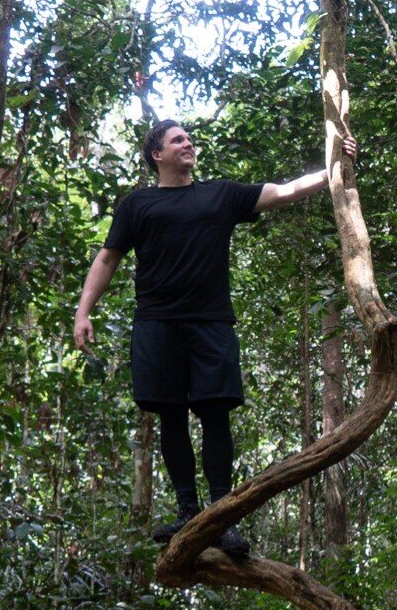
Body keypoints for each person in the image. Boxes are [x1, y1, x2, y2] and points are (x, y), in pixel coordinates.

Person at [74, 119, 356, 557]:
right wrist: (83, 311)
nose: (188, 143)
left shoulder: (219, 194)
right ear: (157, 155)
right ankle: (189, 511)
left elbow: (285, 191)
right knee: (169, 415)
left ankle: (221, 516)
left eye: (189, 138)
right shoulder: (137, 204)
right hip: (157, 324)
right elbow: (108, 257)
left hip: (210, 323)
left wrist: (333, 166)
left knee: (215, 414)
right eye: (177, 140)